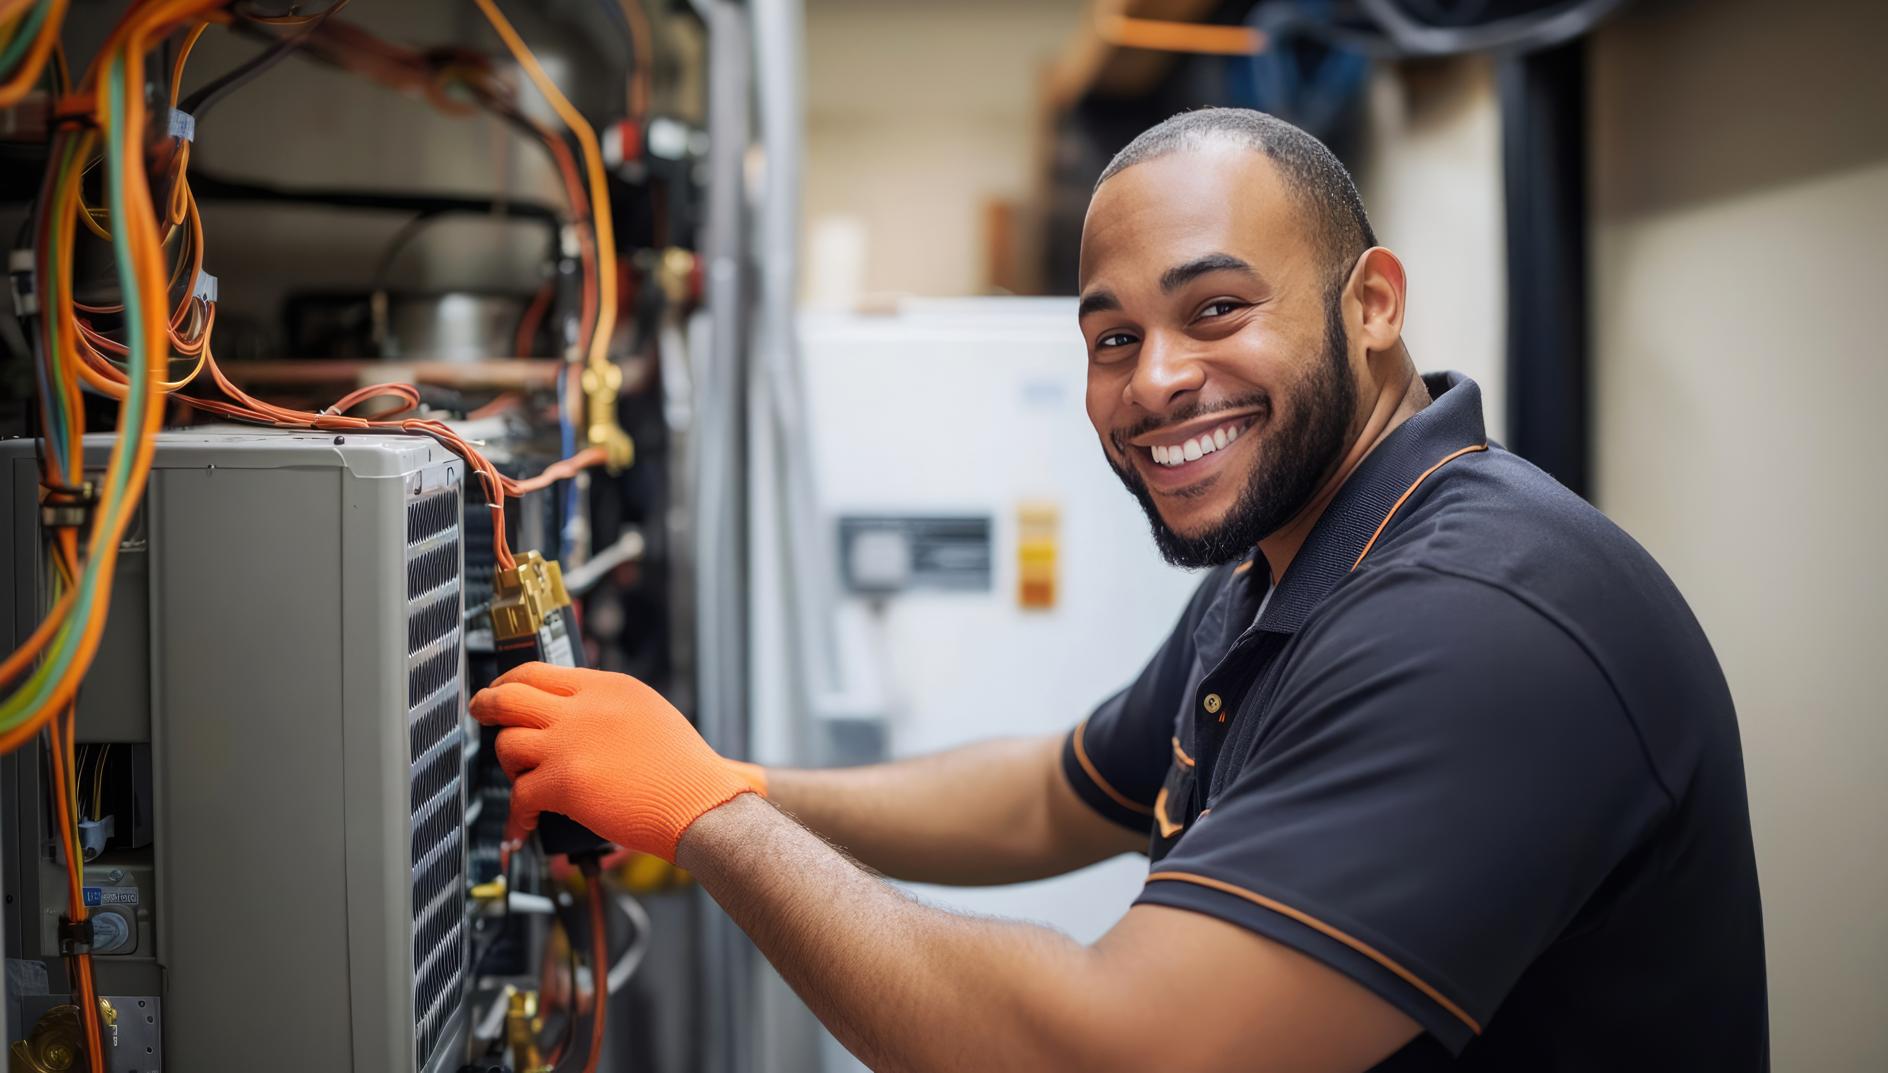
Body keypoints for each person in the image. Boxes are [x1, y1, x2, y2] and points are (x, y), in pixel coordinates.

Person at [474, 108, 1768, 1071]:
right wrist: (727, 782)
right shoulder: (1296, 561)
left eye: (1215, 309)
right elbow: (1052, 794)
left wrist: (707, 817)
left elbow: (1108, 1055)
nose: (1153, 381)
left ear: (1371, 304)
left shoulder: (1481, 620)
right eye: (1113, 338)